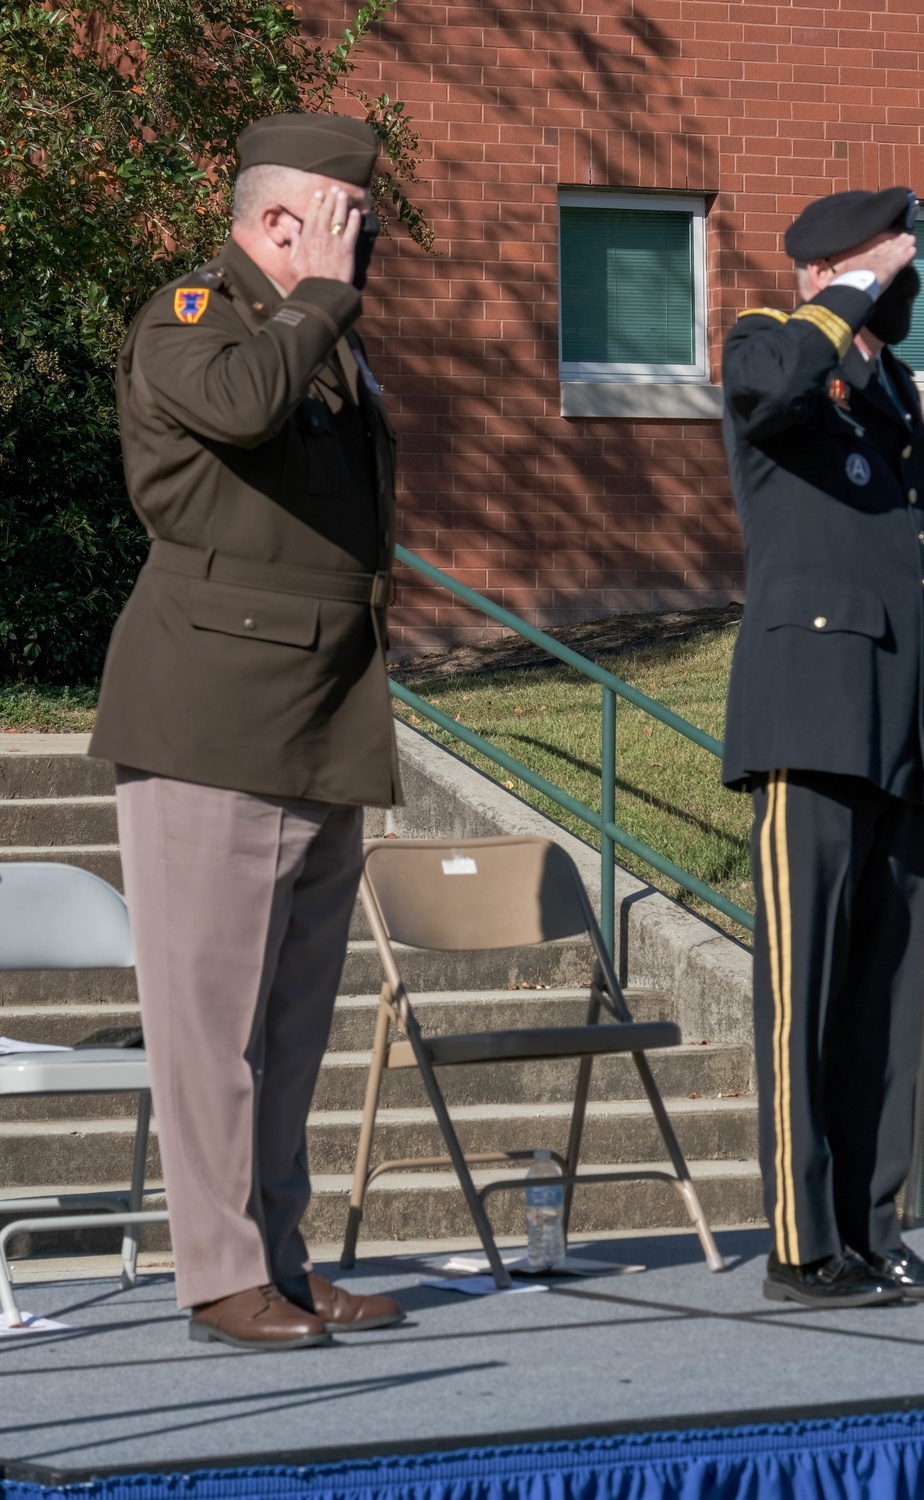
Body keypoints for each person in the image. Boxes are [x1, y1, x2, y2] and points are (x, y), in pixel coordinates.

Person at [89, 113, 407, 1350]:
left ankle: (277, 1254)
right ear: (282, 220)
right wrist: (319, 301)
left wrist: (324, 310)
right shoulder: (195, 319)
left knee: (287, 1024)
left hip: (322, 707)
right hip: (211, 710)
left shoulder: (315, 336)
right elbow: (238, 407)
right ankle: (218, 1273)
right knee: (210, 1023)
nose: (361, 247)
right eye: (346, 222)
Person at [721, 186, 924, 1308]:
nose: (908, 281)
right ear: (833, 267)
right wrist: (849, 292)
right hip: (808, 717)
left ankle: (875, 1230)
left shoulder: (893, 387)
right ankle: (799, 1243)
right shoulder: (772, 345)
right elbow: (772, 398)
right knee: (805, 992)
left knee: (885, 997)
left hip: (896, 723)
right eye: (891, 262)